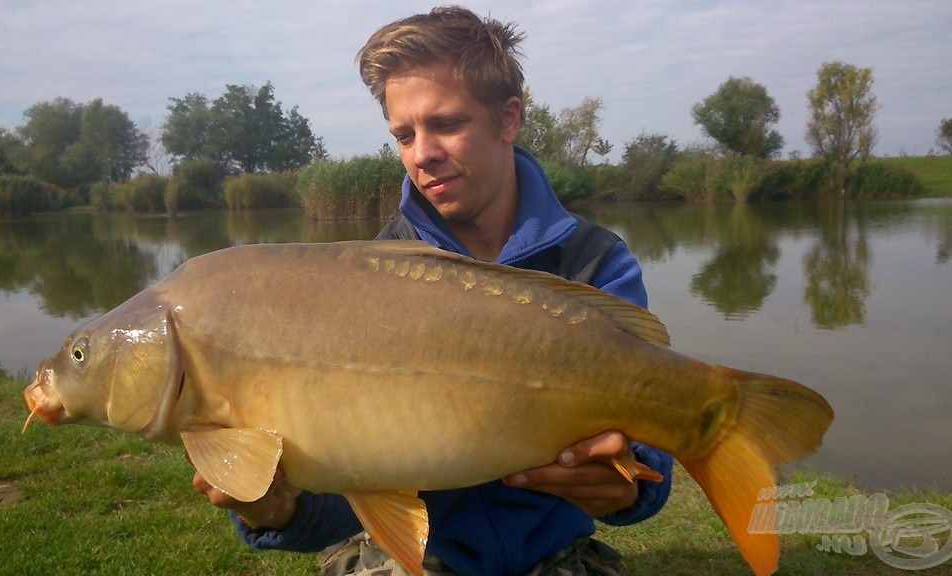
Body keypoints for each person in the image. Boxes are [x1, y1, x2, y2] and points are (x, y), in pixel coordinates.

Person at [192, 6, 673, 576]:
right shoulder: (364, 284)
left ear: (508, 118)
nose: (422, 153)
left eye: (445, 124)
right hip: (421, 553)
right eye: (404, 134)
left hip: (551, 551)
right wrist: (275, 511)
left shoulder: (593, 260)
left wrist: (628, 487)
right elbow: (346, 500)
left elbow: (650, 448)